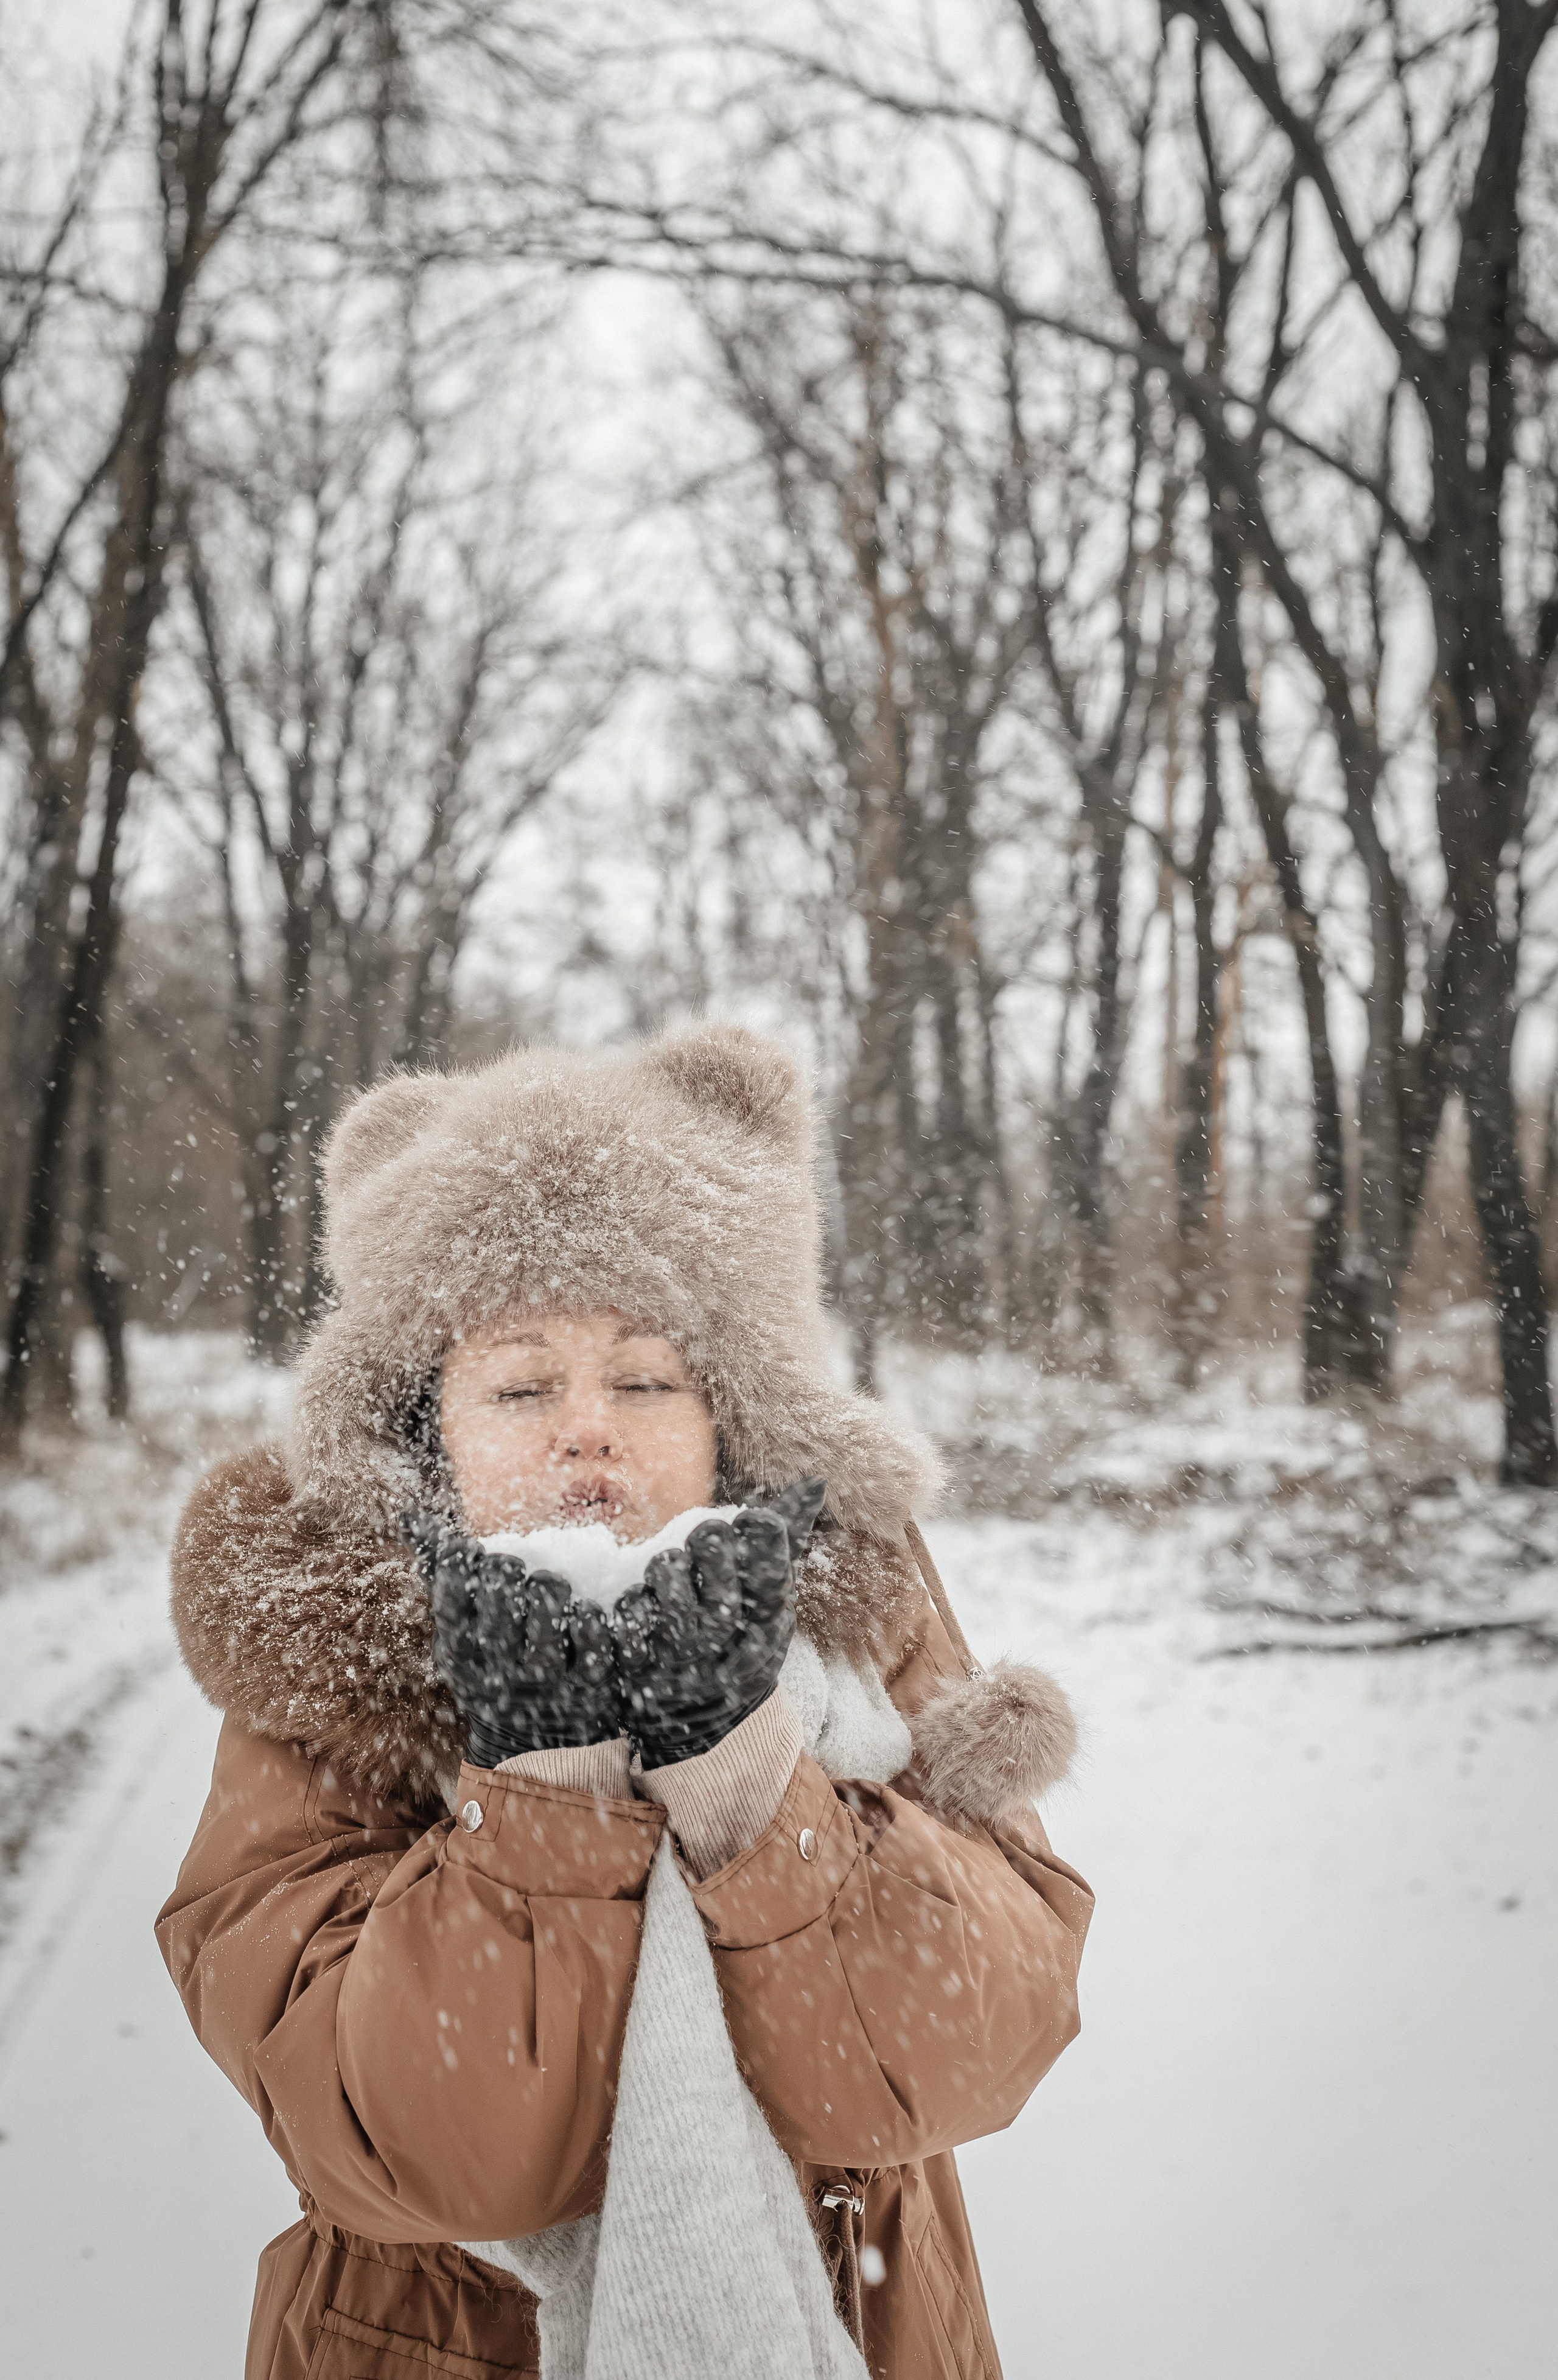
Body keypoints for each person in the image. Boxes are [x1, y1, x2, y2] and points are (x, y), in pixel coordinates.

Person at [158, 1023, 1092, 2380]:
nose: (585, 1425)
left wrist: (744, 1780)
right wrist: (545, 1790)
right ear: (429, 1427)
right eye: (521, 1380)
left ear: (734, 1415)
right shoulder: (330, 1668)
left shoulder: (850, 1609)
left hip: (868, 2316)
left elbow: (965, 2050)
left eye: (647, 1377)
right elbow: (426, 2144)